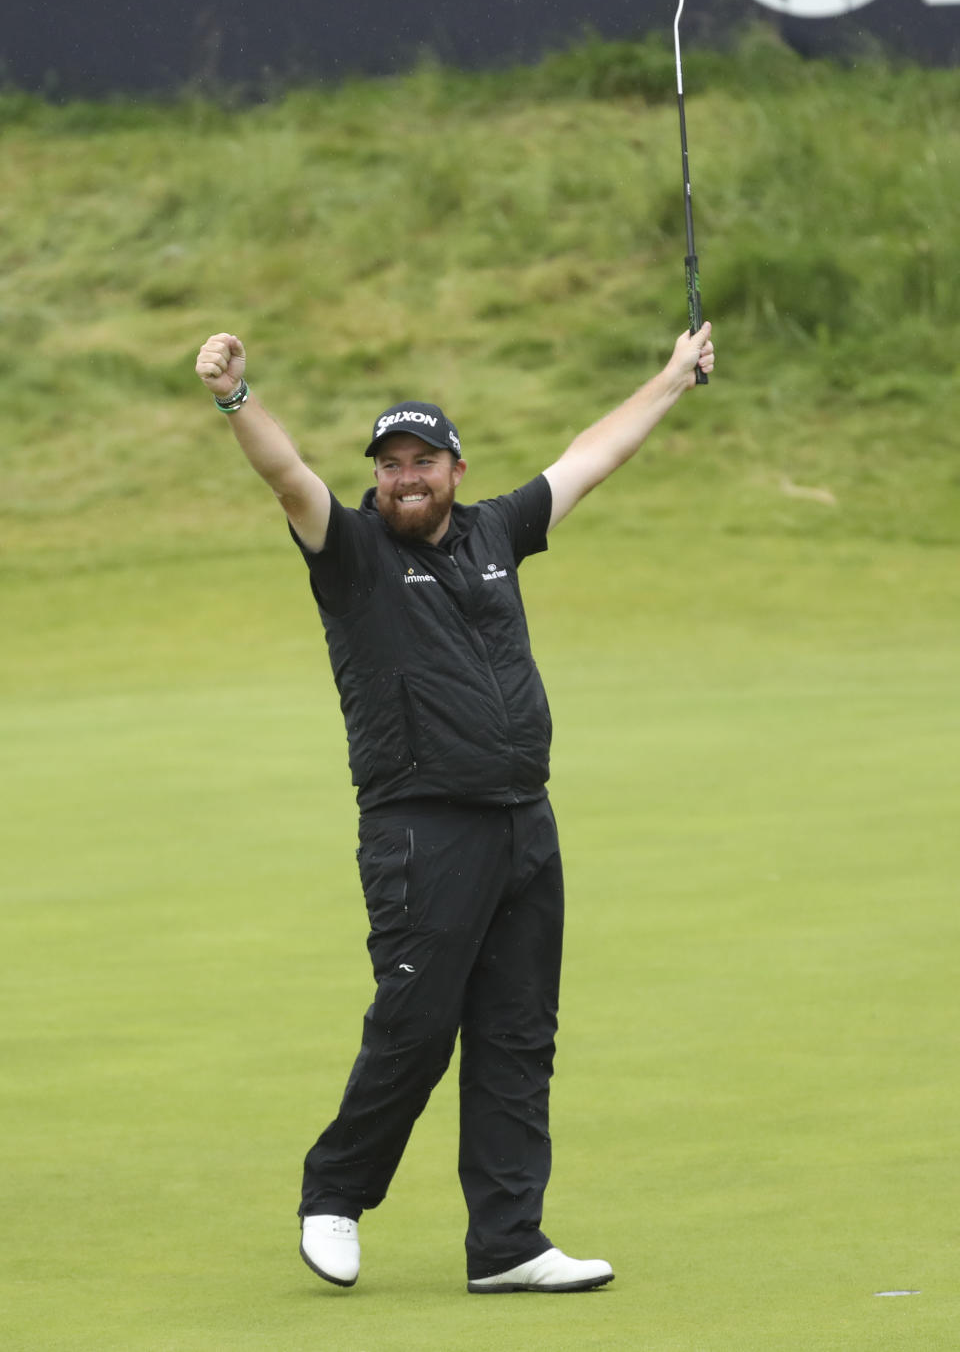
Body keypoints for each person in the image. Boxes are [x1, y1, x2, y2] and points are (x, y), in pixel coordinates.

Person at [194, 322, 715, 1294]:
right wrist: (236, 396)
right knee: (418, 1023)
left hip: (525, 823)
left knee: (519, 1032)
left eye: (422, 460)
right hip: (421, 830)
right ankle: (336, 1193)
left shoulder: (494, 531)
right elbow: (288, 475)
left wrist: (673, 377)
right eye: (390, 464)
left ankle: (508, 1241)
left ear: (455, 468)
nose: (404, 477)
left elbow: (589, 456)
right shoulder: (349, 551)